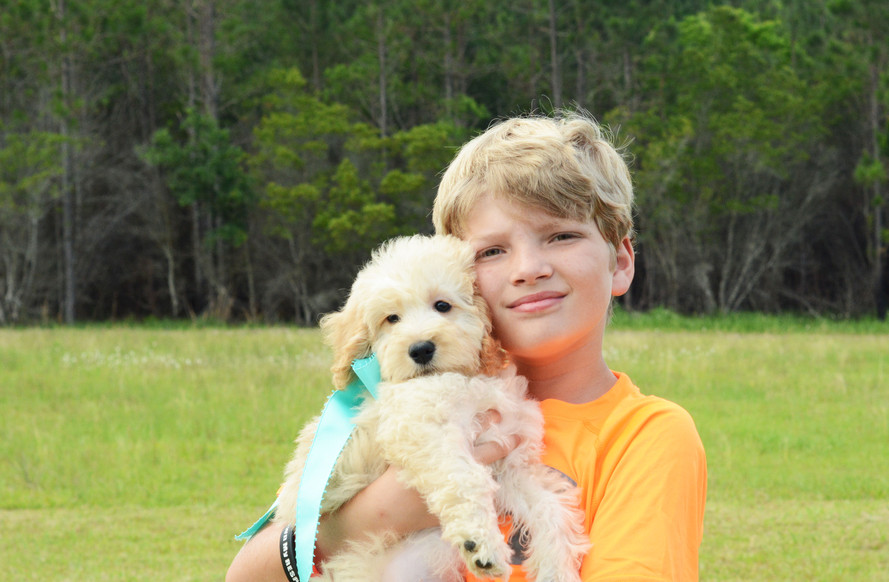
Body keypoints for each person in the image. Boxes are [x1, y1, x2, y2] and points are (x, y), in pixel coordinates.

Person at [226, 110, 707, 582]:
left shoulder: (646, 436)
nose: (528, 268)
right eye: (492, 251)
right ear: (457, 274)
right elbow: (244, 576)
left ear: (621, 262)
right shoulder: (387, 406)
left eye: (562, 235)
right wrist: (374, 515)